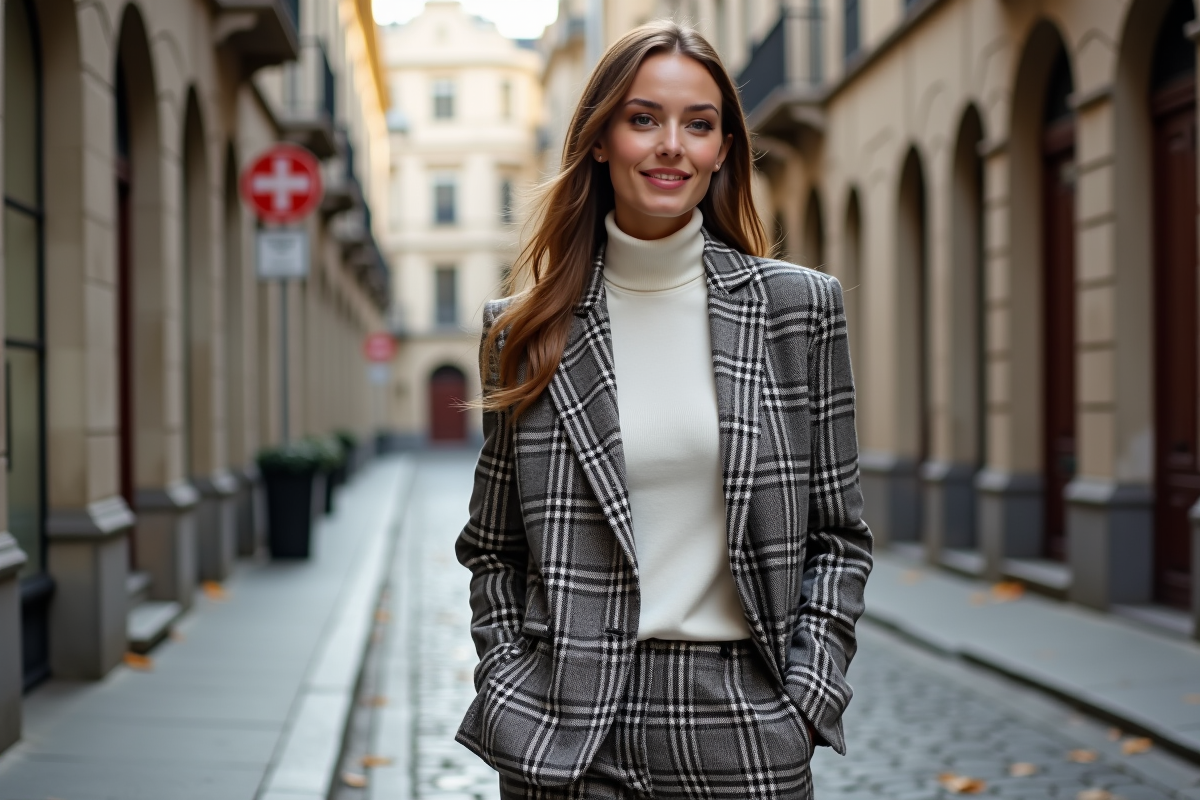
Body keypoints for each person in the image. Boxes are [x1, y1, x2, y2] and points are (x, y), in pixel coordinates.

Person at [455, 20, 873, 800]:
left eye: (699, 123)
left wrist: (804, 701)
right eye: (643, 118)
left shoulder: (798, 310)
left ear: (722, 149)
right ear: (602, 138)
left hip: (744, 721)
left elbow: (838, 536)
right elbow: (493, 547)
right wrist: (511, 679)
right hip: (567, 730)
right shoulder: (522, 329)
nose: (672, 144)